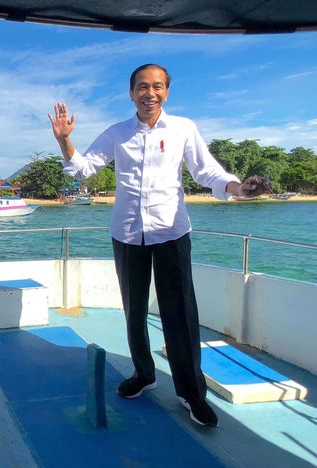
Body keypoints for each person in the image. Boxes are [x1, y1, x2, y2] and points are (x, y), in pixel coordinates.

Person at [49, 63, 273, 427]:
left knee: (180, 313)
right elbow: (82, 169)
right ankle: (144, 373)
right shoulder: (117, 133)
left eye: (156, 86)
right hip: (127, 233)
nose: (149, 93)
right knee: (133, 310)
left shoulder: (184, 128)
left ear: (167, 91)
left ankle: (191, 393)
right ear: (131, 92)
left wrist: (239, 189)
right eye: (141, 86)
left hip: (171, 232)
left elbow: (208, 172)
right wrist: (63, 139)